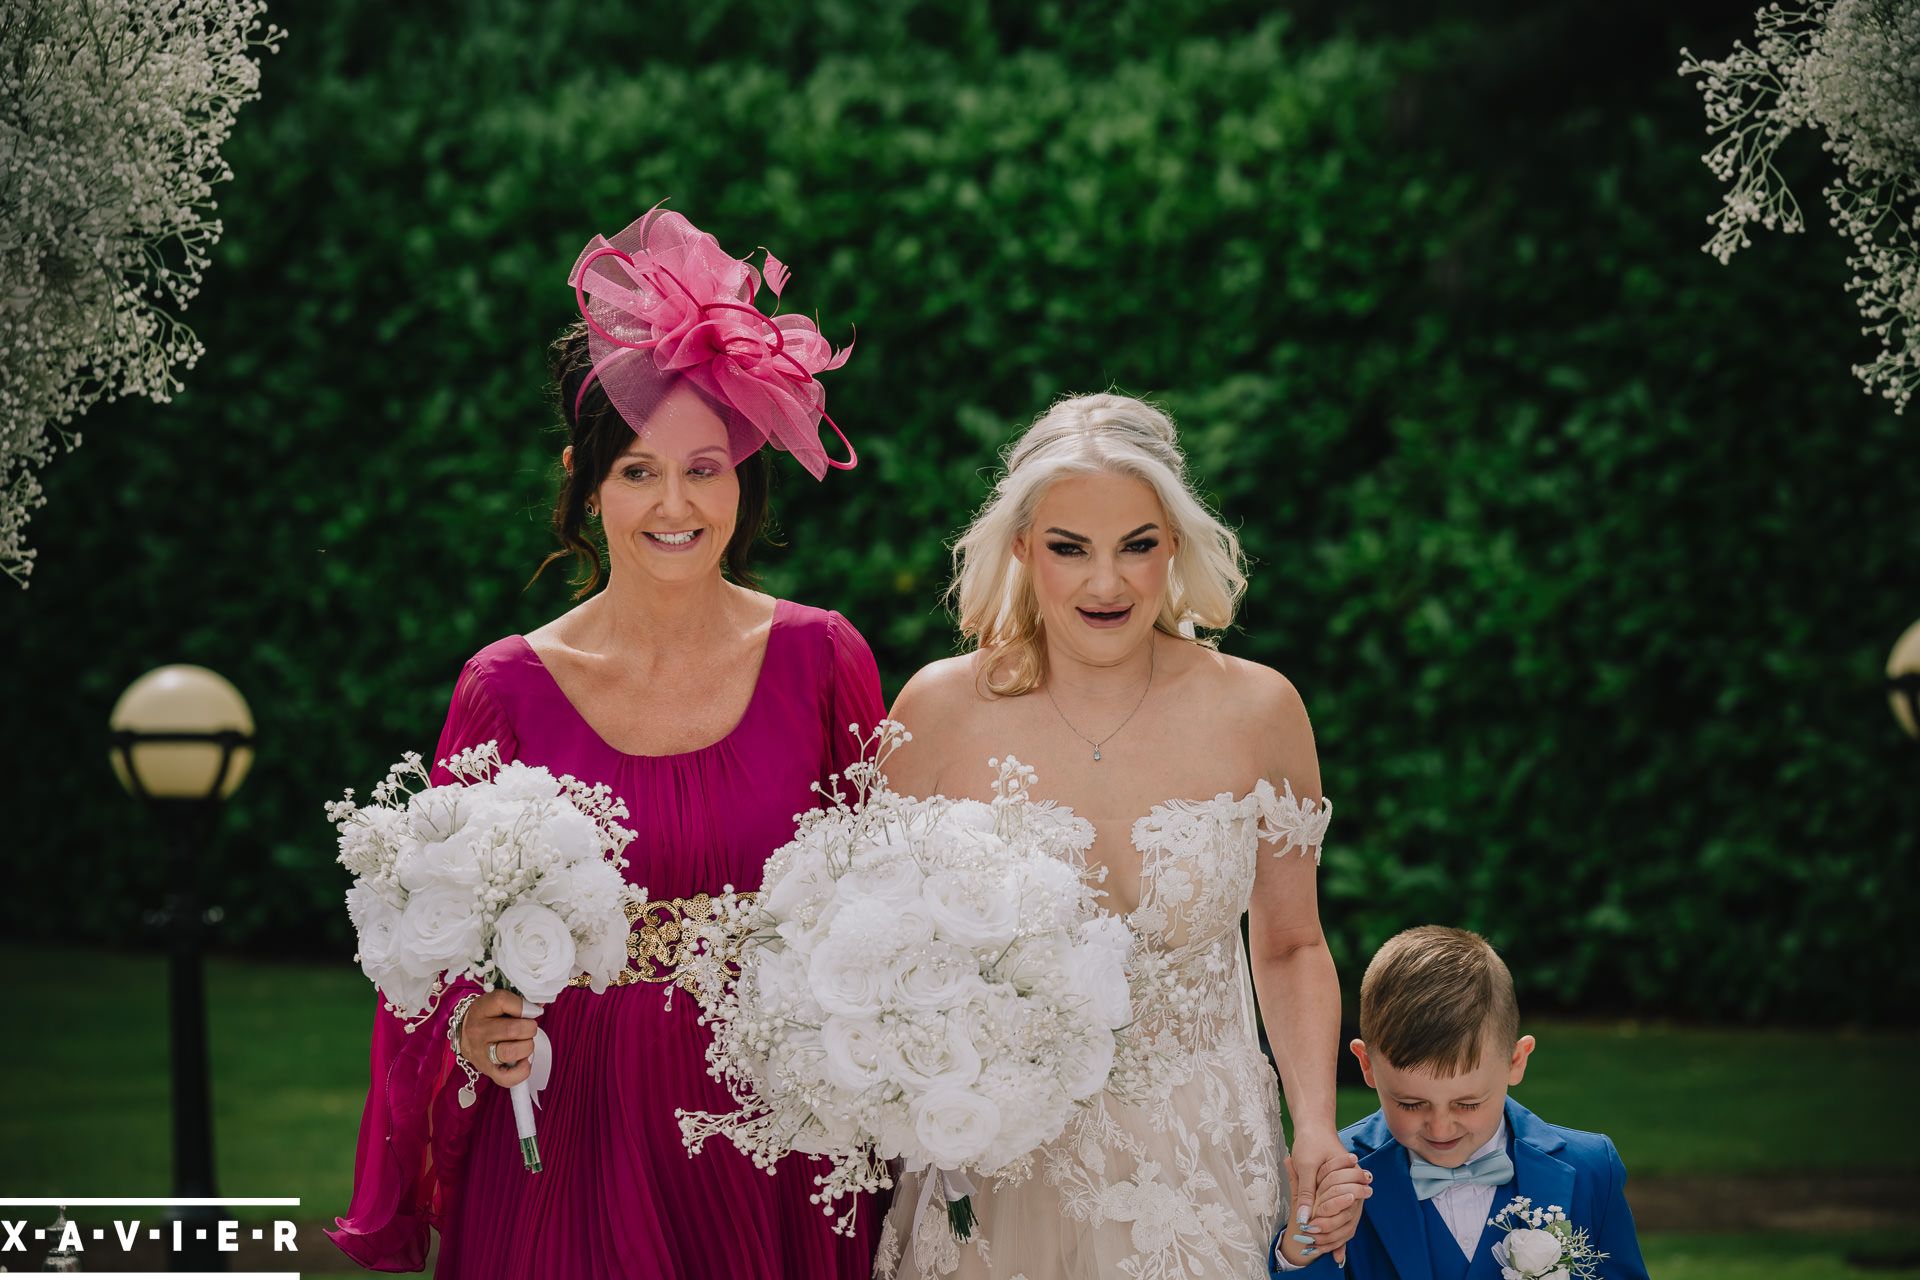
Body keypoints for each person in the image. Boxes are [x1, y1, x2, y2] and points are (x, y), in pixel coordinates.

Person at [328, 207, 883, 1278]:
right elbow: (437, 943)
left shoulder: (826, 661)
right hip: (572, 1122)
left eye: (705, 468)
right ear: (587, 480)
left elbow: (885, 907)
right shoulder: (504, 687)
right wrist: (470, 1026)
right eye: (636, 470)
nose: (674, 503)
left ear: (745, 477)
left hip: (770, 1119)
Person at [873, 393, 1364, 1279]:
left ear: (1174, 543)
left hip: (1204, 1166)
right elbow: (882, 962)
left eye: (1138, 545)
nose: (1108, 584)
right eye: (1070, 549)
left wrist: (1317, 1126)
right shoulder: (936, 713)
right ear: (1022, 547)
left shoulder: (1260, 709)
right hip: (997, 1174)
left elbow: (1291, 945)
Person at [1270, 926, 1649, 1279]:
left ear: (1516, 1061)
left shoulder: (1591, 1168)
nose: (1440, 1127)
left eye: (1467, 1104)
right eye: (1410, 1103)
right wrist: (1306, 1241)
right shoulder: (1335, 1176)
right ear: (1367, 1066)